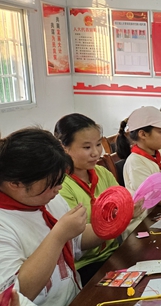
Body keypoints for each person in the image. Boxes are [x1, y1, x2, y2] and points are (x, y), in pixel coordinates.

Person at [0, 128, 104, 305]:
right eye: (52, 182)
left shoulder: (47, 198)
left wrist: (114, 222)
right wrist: (58, 236)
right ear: (15, 183)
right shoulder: (4, 223)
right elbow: (16, 295)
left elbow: (76, 240)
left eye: (60, 180)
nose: (59, 188)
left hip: (77, 297)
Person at [54, 113, 142, 285]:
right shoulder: (60, 186)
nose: (95, 153)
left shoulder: (101, 173)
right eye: (87, 147)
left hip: (114, 252)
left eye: (98, 144)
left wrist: (132, 207)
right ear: (64, 147)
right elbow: (78, 239)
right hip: (85, 266)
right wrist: (122, 217)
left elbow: (122, 203)